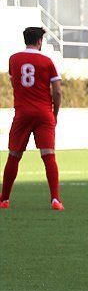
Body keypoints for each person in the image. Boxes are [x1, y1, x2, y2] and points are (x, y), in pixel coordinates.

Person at [2, 27, 64, 210]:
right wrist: (55, 113)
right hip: (44, 112)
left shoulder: (14, 59)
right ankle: (55, 199)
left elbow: (14, 82)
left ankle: (4, 199)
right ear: (39, 41)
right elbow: (58, 91)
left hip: (22, 112)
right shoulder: (47, 61)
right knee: (48, 155)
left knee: (14, 155)